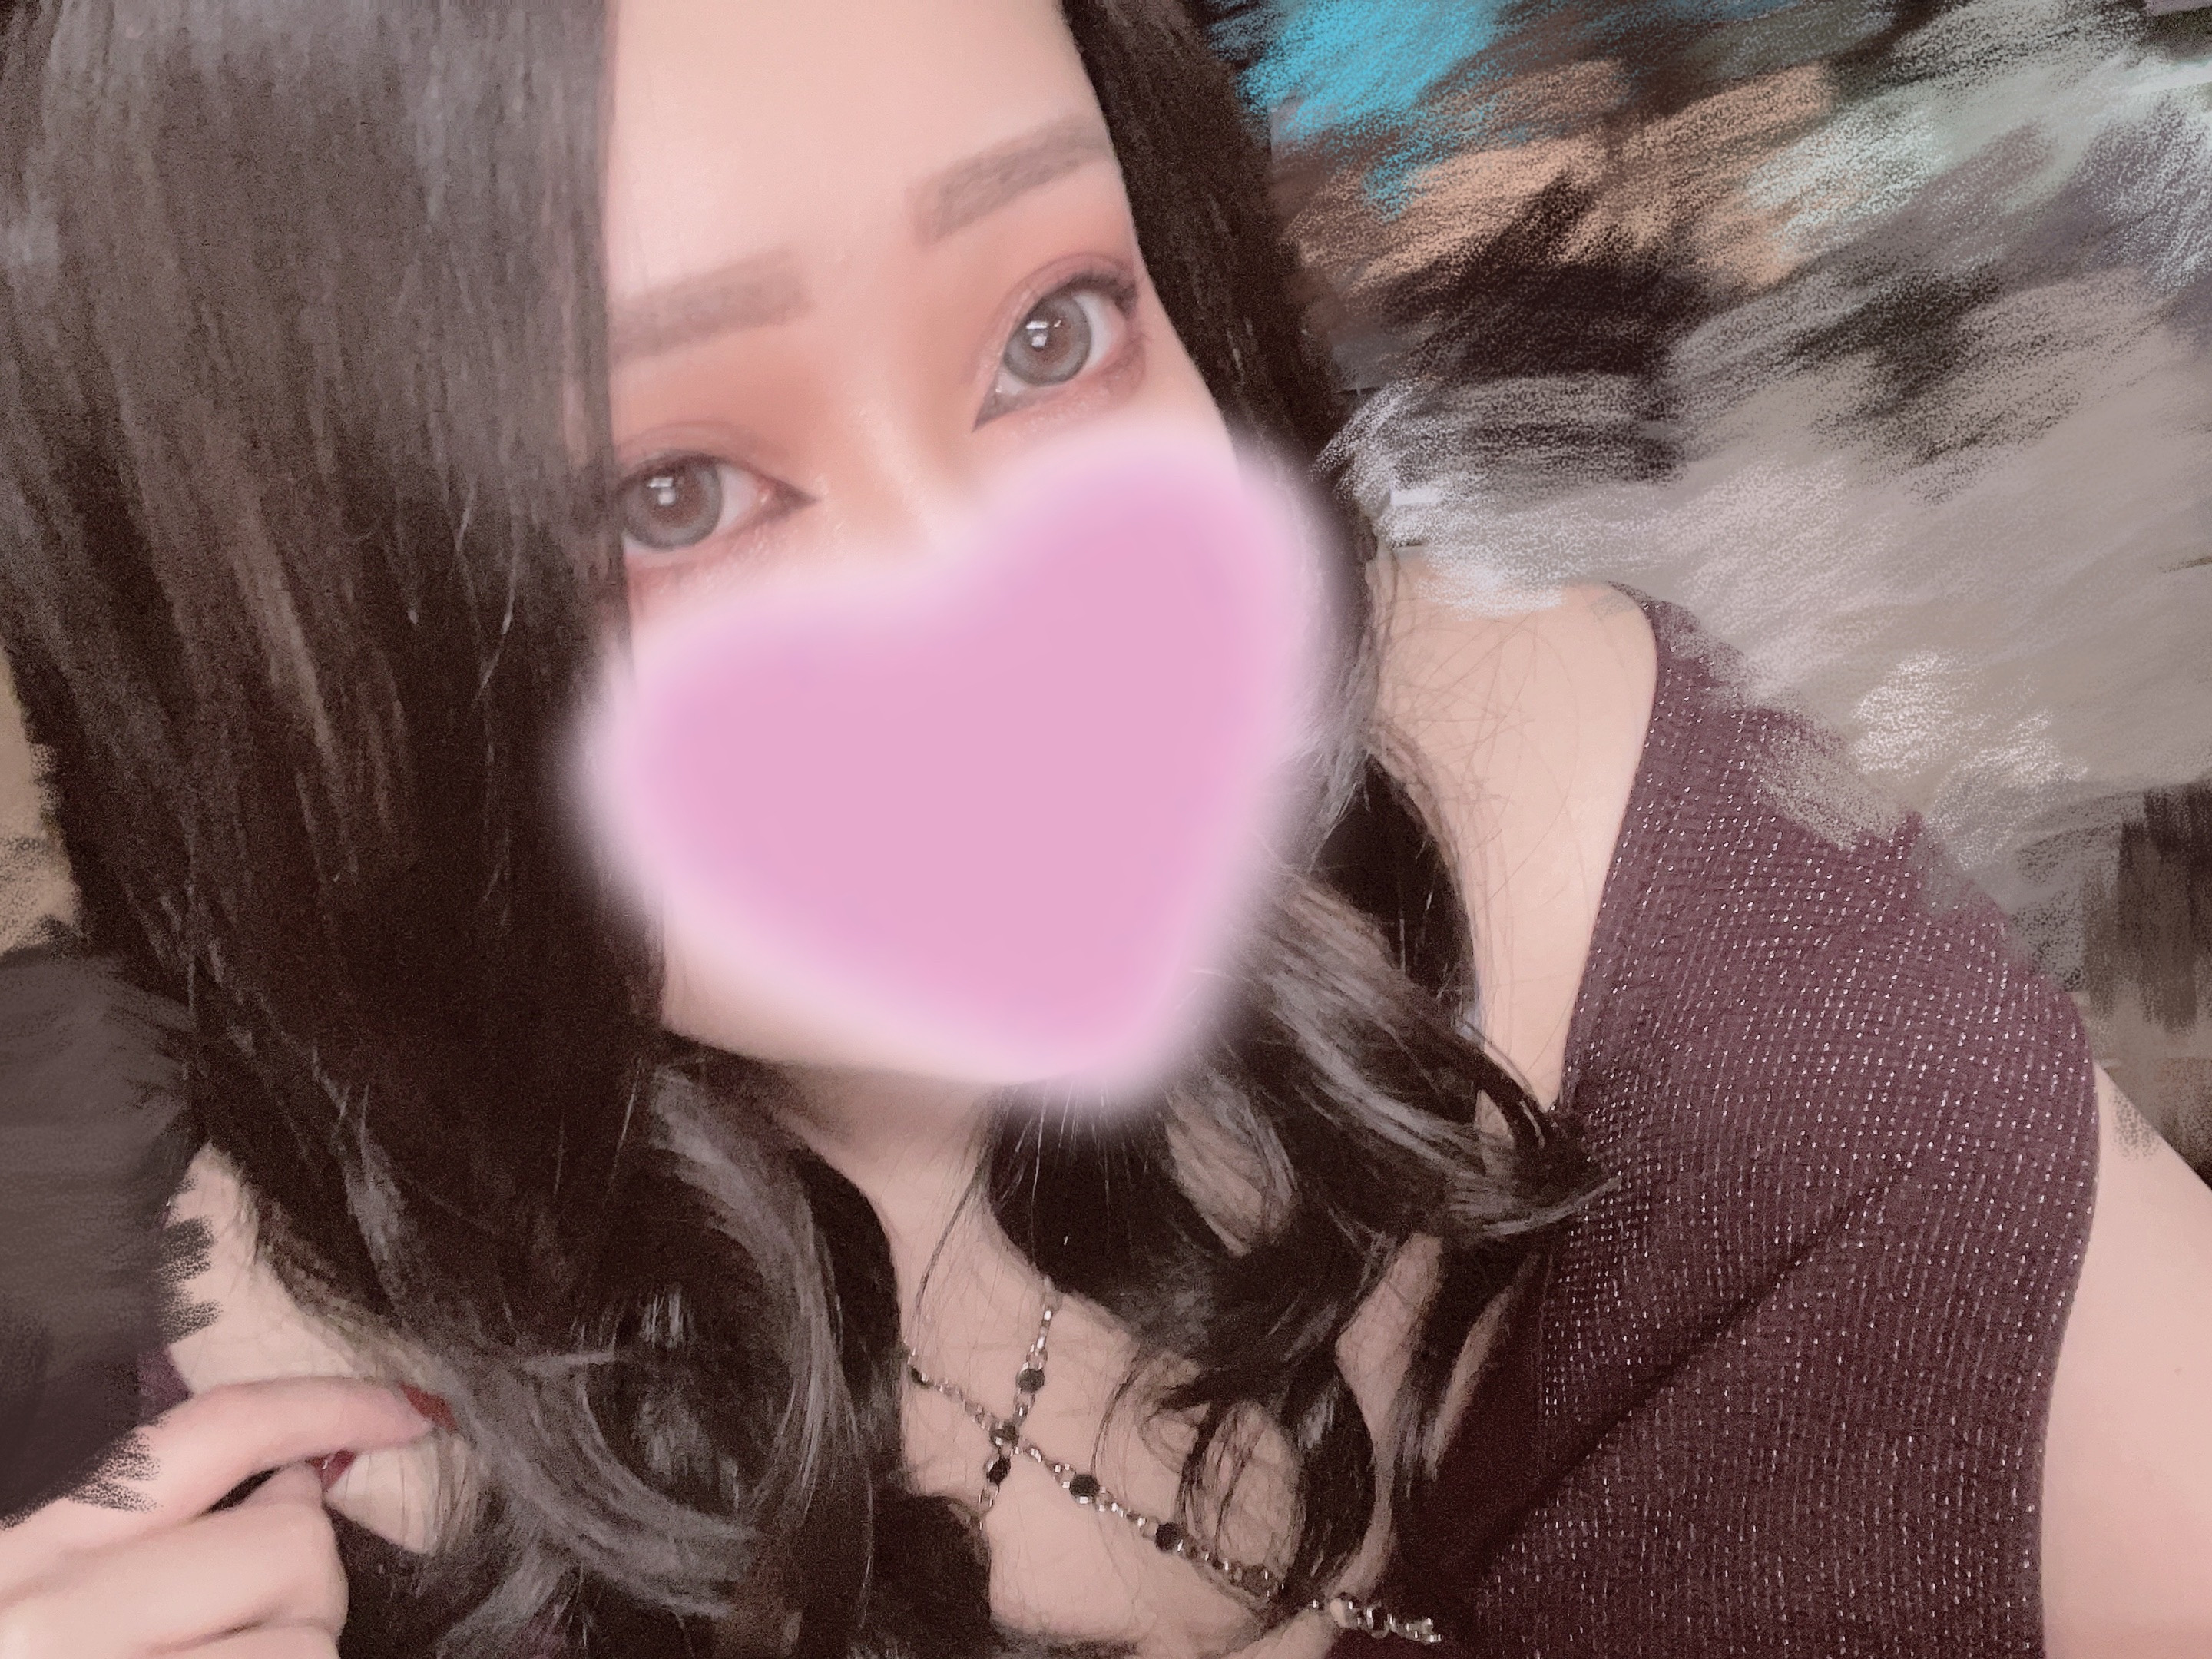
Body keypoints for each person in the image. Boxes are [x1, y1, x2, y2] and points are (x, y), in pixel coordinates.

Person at [0, 2, 2208, 1656]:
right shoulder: (130, 1436)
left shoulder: (1626, 849)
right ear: (265, 651)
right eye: (671, 497)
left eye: (1053, 334)